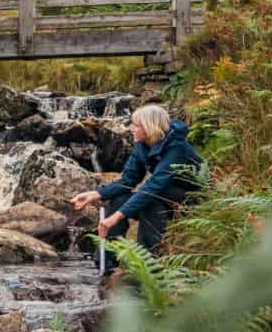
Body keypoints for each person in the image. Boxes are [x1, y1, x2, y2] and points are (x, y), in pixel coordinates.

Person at [71, 103, 203, 263]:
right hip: (161, 195)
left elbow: (154, 186)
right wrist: (96, 194)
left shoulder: (177, 147)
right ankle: (106, 264)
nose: (131, 128)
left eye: (135, 125)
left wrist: (116, 217)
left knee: (150, 202)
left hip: (189, 199)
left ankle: (148, 262)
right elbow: (128, 180)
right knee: (118, 200)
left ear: (150, 127)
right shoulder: (142, 145)